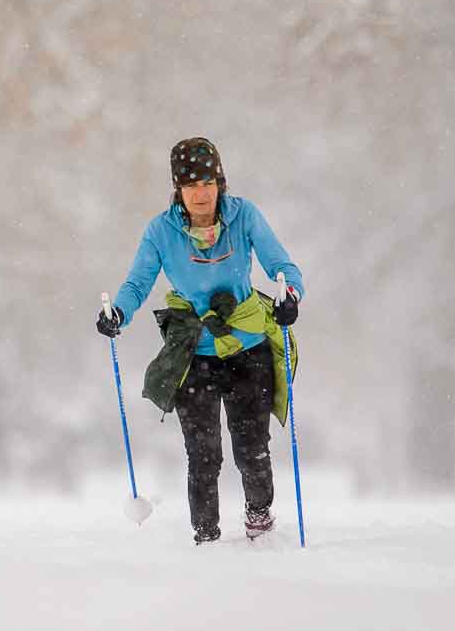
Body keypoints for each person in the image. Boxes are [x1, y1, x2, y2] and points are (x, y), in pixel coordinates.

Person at [97, 136, 305, 544]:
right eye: (191, 185)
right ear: (178, 188)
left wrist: (289, 296)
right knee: (203, 455)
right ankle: (205, 537)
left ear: (220, 182)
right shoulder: (161, 231)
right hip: (196, 354)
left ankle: (259, 522)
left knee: (252, 449)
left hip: (248, 348)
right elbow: (138, 282)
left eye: (208, 182)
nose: (201, 193)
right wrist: (118, 311)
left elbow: (281, 265)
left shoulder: (243, 217)